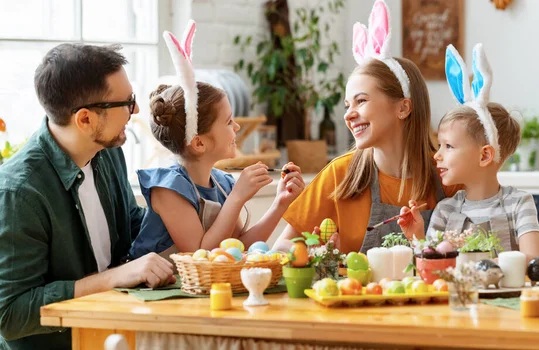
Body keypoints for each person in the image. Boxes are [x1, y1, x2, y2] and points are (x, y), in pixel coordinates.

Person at [0, 44, 175, 349]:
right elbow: (10, 315)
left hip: (114, 334)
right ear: (85, 120)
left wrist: (193, 208)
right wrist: (113, 278)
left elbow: (130, 227)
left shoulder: (106, 153)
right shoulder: (18, 193)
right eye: (126, 102)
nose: (134, 111)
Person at [273, 0, 460, 254]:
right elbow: (280, 247)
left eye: (361, 101)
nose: (349, 115)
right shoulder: (340, 175)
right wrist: (320, 252)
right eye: (347, 105)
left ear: (403, 108)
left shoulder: (446, 177)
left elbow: (474, 248)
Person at [127, 21, 305, 260]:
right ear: (199, 143)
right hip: (150, 292)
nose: (237, 126)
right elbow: (200, 255)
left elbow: (238, 248)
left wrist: (279, 204)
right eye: (229, 121)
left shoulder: (221, 183)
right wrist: (237, 198)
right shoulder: (168, 189)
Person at [399, 44, 539, 262]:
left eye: (448, 146)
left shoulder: (519, 203)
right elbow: (431, 263)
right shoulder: (445, 210)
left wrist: (474, 264)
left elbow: (534, 260)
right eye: (439, 145)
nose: (437, 155)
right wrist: (417, 237)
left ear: (485, 155)